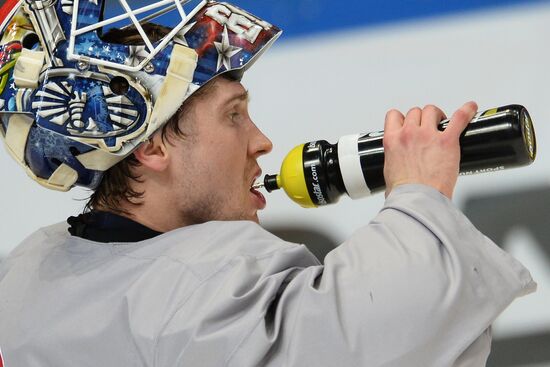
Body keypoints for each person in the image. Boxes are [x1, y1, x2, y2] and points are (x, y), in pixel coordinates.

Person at [0, 0, 536, 366]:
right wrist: (418, 194)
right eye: (234, 115)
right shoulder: (182, 296)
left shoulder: (26, 278)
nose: (260, 141)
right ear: (151, 145)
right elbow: (367, 340)